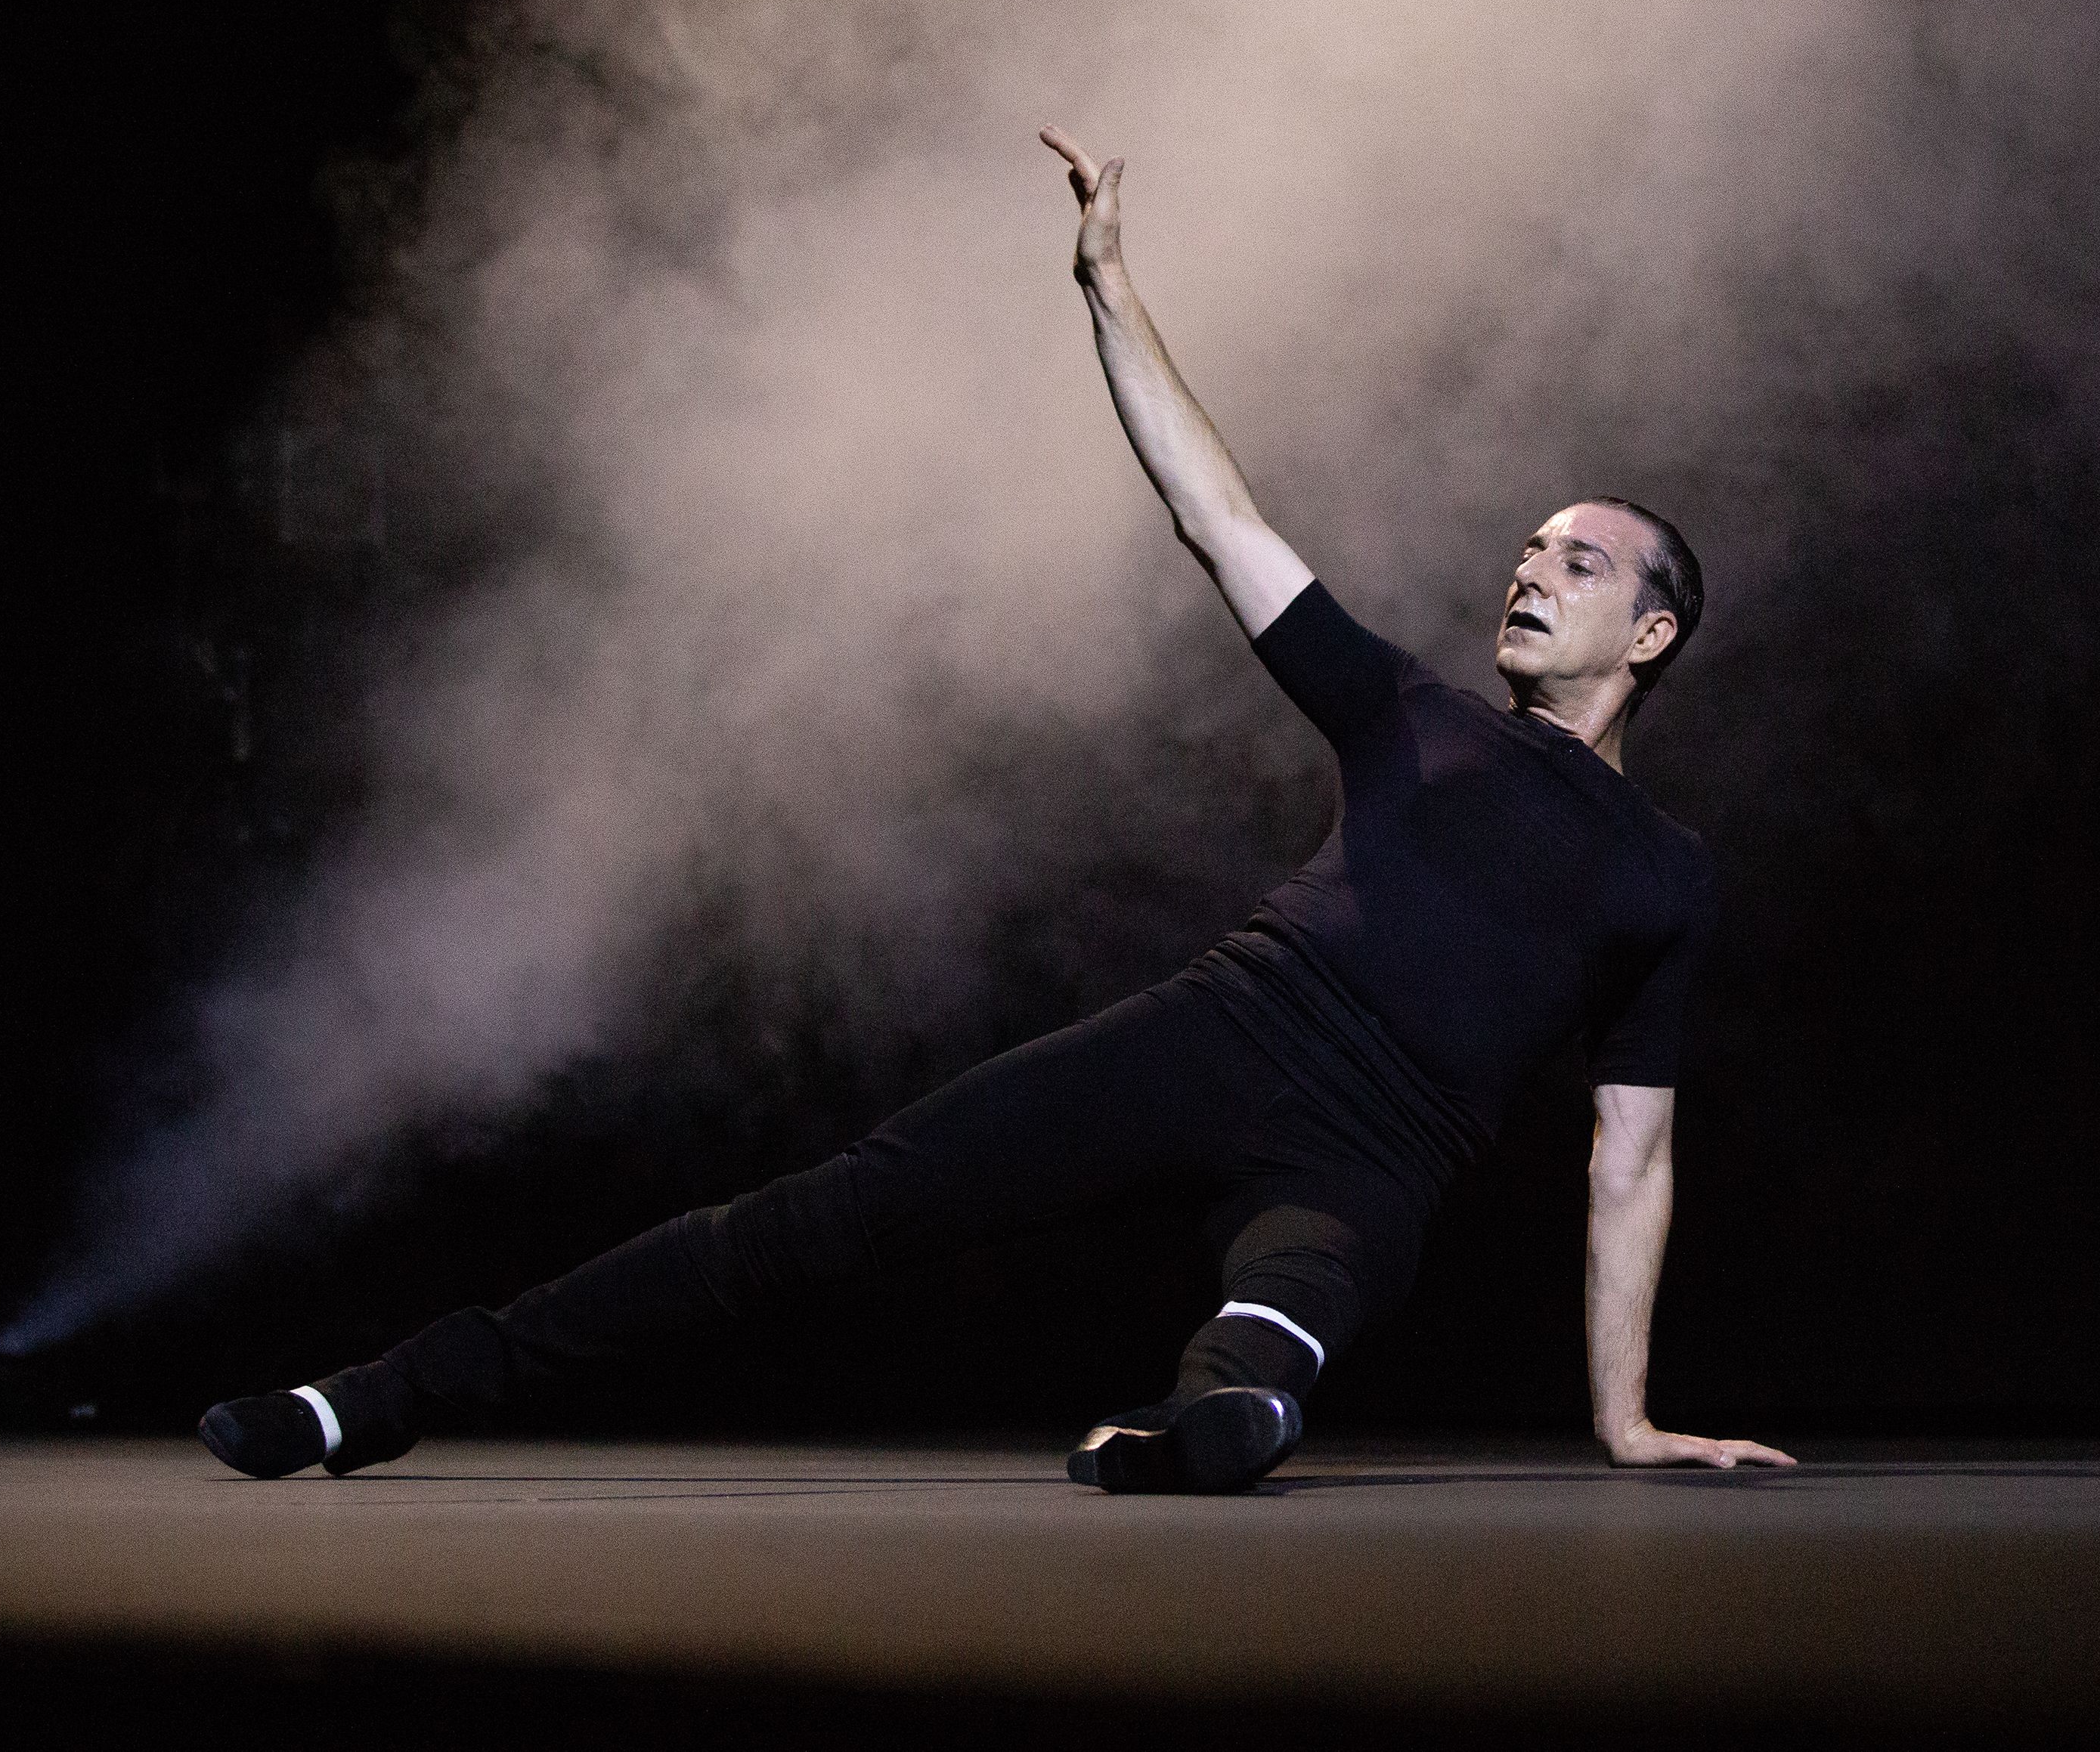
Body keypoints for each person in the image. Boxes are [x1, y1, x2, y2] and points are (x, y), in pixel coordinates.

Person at [197, 128, 1792, 1494]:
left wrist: (1625, 1416)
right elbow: (1214, 511)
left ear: (1648, 633)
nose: (1528, 569)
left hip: (1381, 1152)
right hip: (1215, 1037)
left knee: (1285, 1315)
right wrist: (1110, 287)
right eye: (1525, 547)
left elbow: (1629, 1152)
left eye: (1574, 561)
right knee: (815, 1217)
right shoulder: (1413, 713)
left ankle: (1213, 1420)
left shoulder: (1664, 872)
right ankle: (377, 1395)